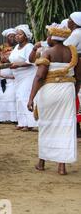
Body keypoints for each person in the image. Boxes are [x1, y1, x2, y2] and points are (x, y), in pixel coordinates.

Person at [28, 24, 80, 175]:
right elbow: (78, 76)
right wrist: (74, 92)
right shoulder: (72, 52)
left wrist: (31, 98)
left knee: (46, 125)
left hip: (50, 90)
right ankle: (61, 166)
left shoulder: (47, 52)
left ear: (52, 37)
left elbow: (39, 76)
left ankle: (41, 162)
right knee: (64, 127)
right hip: (67, 91)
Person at [9, 24, 38, 131]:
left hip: (28, 75)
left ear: (25, 36)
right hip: (18, 76)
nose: (17, 36)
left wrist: (19, 65)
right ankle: (22, 122)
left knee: (24, 97)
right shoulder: (16, 47)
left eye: (20, 34)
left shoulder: (29, 47)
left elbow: (31, 61)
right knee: (18, 97)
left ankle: (32, 123)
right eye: (16, 34)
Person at [0, 45, 17, 123]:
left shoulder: (8, 60)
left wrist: (4, 76)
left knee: (9, 97)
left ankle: (12, 118)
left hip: (10, 83)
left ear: (0, 52)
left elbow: (15, 74)